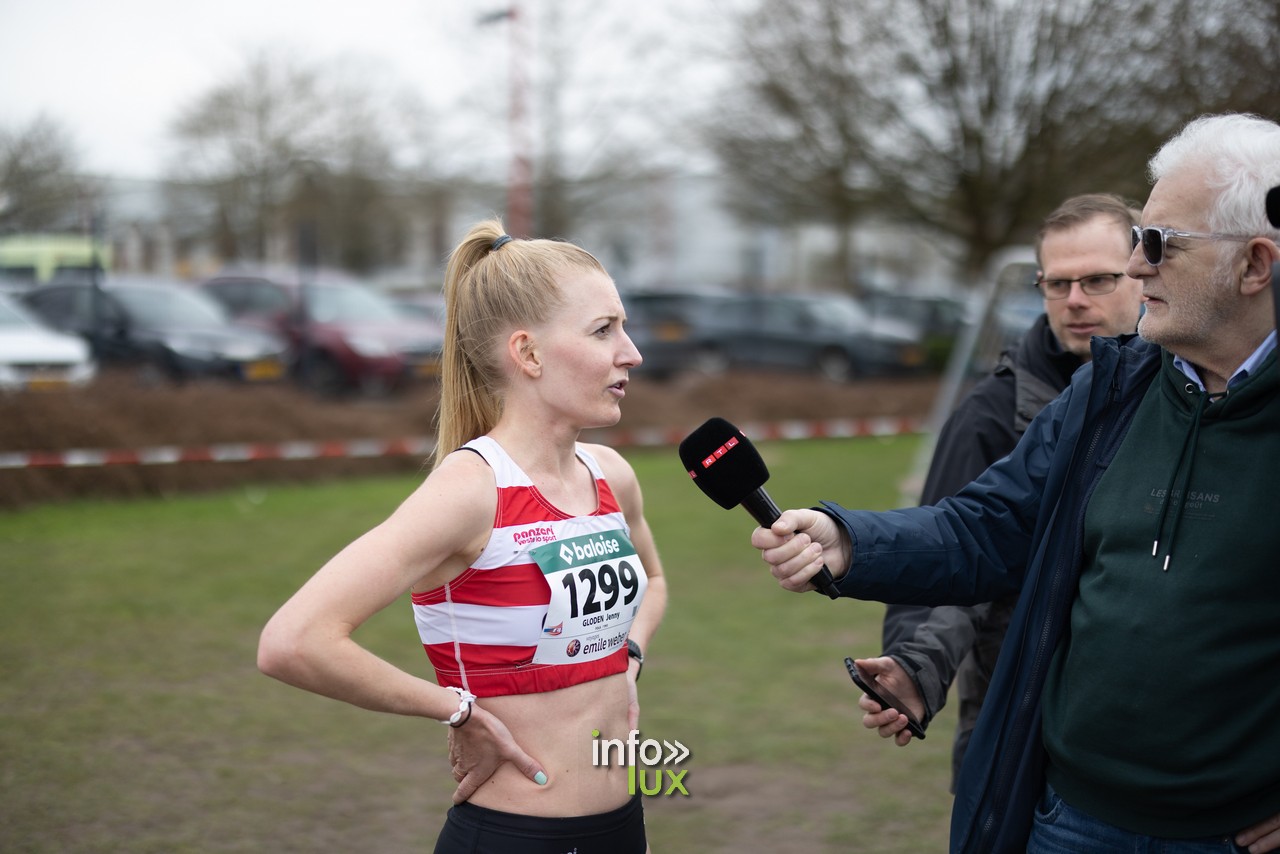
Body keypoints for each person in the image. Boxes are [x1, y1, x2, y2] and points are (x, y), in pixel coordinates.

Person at [751, 112, 1280, 854]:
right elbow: (984, 527)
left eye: (1158, 245)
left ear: (1255, 264)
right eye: (1135, 244)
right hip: (1070, 820)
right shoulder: (1108, 395)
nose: (1135, 269)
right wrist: (846, 539)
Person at [258, 219, 668, 853]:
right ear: (528, 353)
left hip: (623, 827)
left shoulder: (611, 473)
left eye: (623, 326)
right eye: (603, 330)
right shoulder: (472, 490)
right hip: (513, 837)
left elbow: (656, 581)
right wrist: (455, 709)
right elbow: (292, 641)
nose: (631, 352)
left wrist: (627, 657)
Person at [866, 194, 1144, 790]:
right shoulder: (991, 414)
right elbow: (945, 551)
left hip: (1159, 735)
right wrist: (914, 666)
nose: (1074, 301)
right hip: (1021, 720)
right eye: (1057, 283)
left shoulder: (1200, 389)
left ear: (1144, 269)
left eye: (1097, 279)